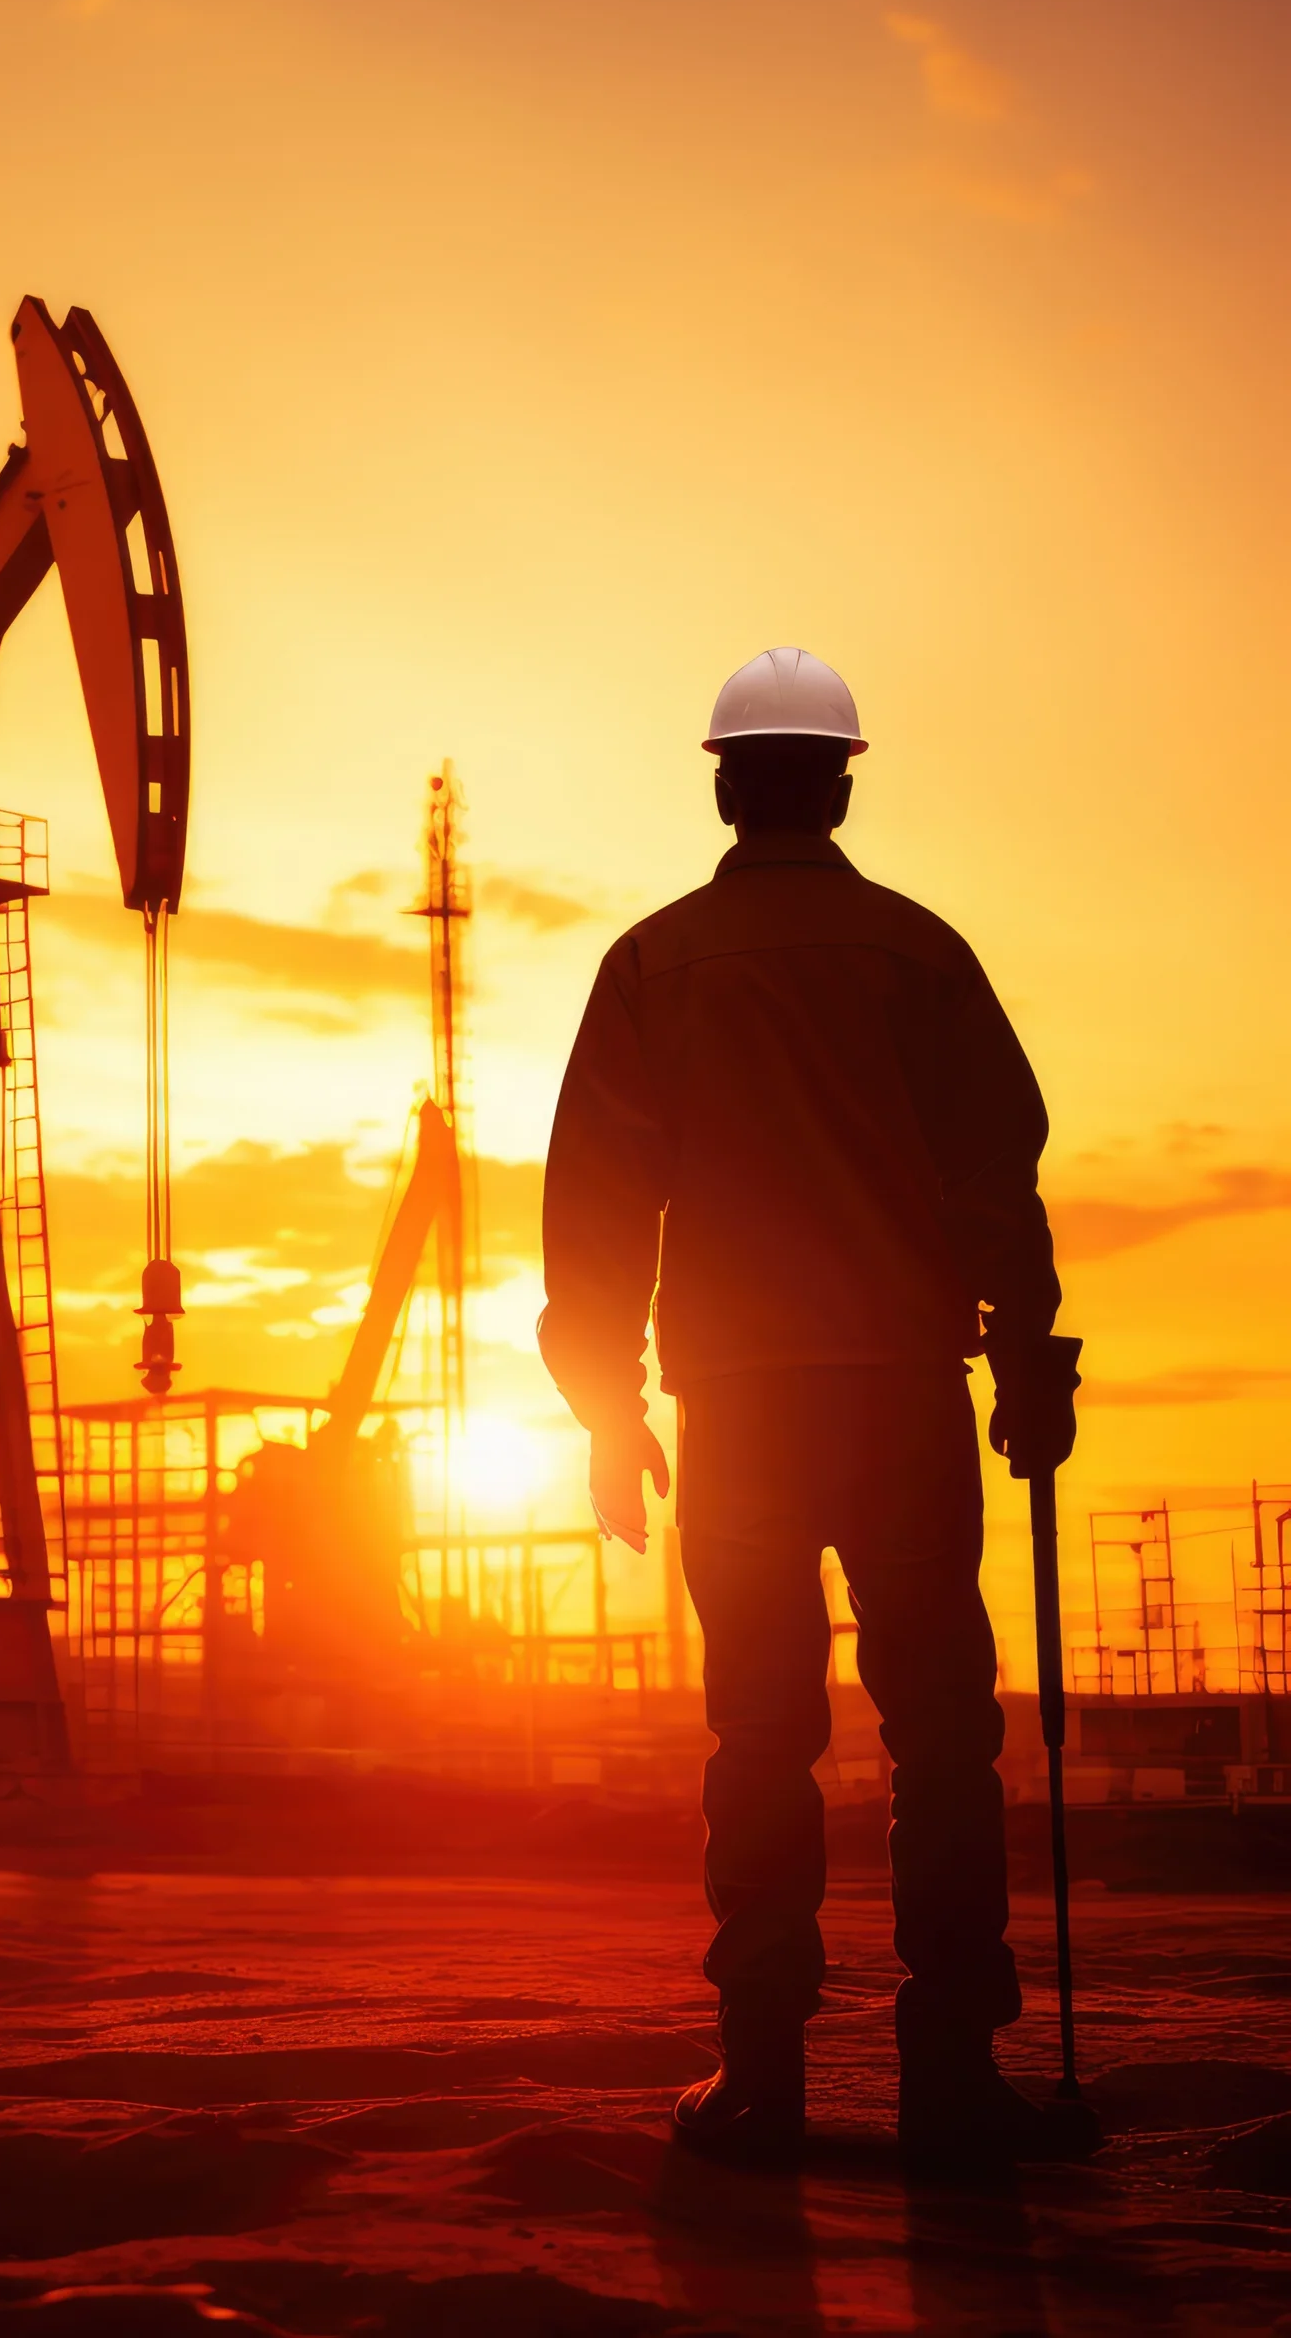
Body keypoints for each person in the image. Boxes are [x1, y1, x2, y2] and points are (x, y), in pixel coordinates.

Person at [539, 646, 1097, 2172]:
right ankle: (954, 2077)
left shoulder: (655, 967)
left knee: (761, 1733)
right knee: (942, 1736)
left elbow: (597, 1208)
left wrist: (606, 1409)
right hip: (901, 1392)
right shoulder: (922, 957)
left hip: (742, 1409)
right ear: (842, 787)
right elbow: (995, 1181)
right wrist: (1027, 1359)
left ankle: (763, 2073)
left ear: (725, 788)